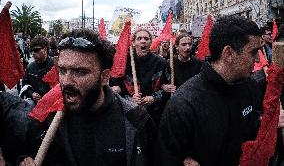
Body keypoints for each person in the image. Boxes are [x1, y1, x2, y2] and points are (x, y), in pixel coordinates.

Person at [20, 29, 156, 166]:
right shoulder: (50, 118)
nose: (66, 81)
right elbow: (25, 151)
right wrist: (24, 159)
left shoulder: (135, 120)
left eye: (79, 72)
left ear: (104, 77)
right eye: (62, 70)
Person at [156, 16, 265, 166]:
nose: (258, 59)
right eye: (253, 52)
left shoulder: (251, 87)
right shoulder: (183, 104)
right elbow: (168, 156)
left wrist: (266, 121)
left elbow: (254, 126)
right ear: (228, 53)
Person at [110, 28, 168, 125]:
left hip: (153, 114)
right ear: (133, 42)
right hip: (129, 114)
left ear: (150, 42)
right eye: (139, 38)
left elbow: (168, 89)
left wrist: (153, 98)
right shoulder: (124, 62)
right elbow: (117, 88)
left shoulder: (161, 63)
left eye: (146, 38)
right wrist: (129, 99)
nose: (143, 41)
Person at [21, 36, 54, 103]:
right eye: (32, 50)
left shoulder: (56, 66)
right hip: (35, 104)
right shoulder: (30, 67)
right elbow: (25, 84)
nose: (33, 53)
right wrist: (31, 94)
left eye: (36, 50)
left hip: (53, 105)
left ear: (45, 50)